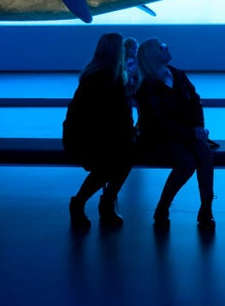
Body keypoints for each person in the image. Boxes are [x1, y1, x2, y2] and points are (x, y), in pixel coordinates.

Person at [135, 38, 216, 230]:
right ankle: (163, 206)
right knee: (187, 162)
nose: (167, 47)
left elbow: (195, 101)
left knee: (204, 153)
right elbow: (158, 123)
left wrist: (199, 128)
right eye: (162, 47)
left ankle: (206, 207)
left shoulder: (176, 74)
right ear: (154, 55)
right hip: (159, 138)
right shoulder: (147, 86)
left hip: (184, 133)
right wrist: (192, 132)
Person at [62, 33, 135, 230]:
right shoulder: (106, 78)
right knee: (115, 160)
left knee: (122, 156)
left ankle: (96, 202)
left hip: (89, 135)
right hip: (88, 138)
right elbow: (110, 117)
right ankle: (93, 202)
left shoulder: (96, 75)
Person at [123, 37, 139, 105]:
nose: (135, 51)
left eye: (136, 49)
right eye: (133, 49)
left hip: (136, 87)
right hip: (126, 88)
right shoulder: (121, 61)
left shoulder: (137, 59)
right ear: (126, 48)